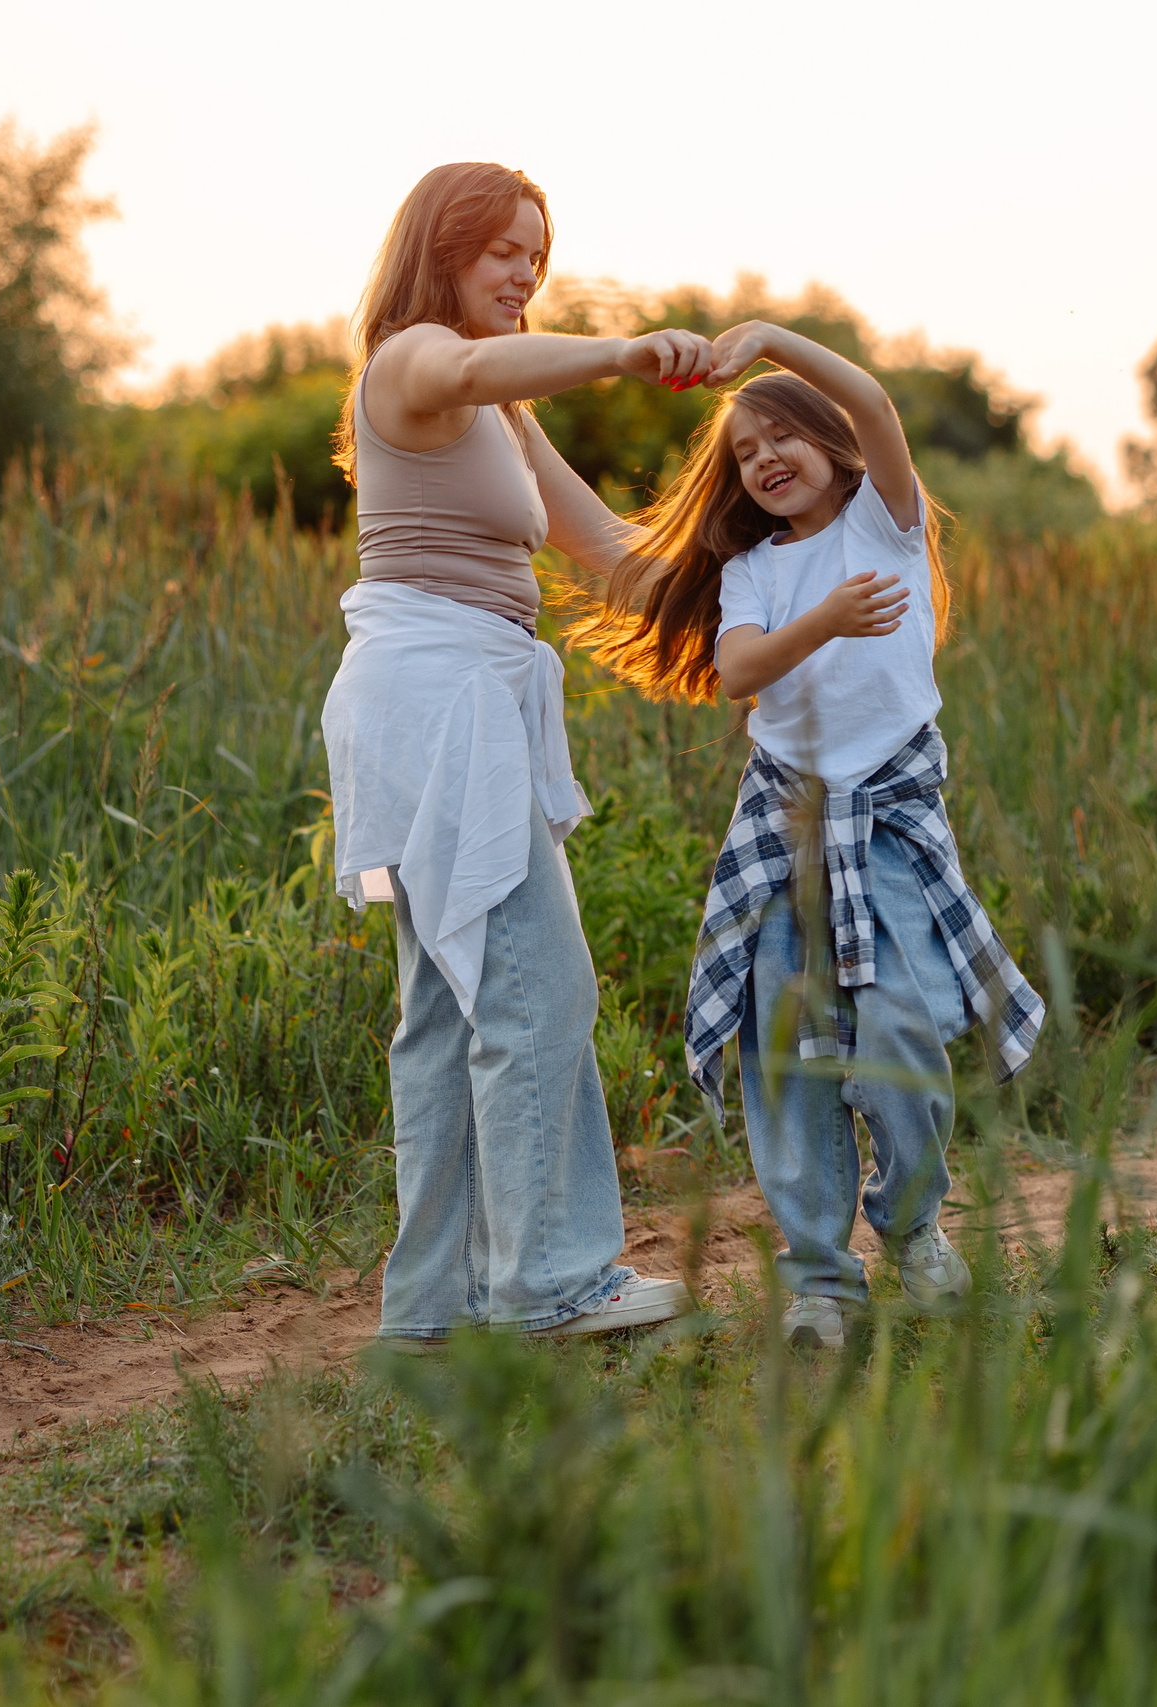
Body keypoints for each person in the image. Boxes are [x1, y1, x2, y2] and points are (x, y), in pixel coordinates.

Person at [567, 322, 1046, 1352]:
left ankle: (911, 1226)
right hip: (784, 827)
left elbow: (875, 401)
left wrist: (773, 343)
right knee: (783, 1060)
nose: (763, 460)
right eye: (743, 452)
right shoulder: (751, 569)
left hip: (890, 827)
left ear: (834, 449)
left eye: (782, 436)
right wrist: (824, 621)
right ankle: (821, 1281)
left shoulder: (885, 522)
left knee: (899, 1043)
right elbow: (741, 674)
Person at [320, 163, 703, 1344]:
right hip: (438, 700)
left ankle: (430, 1313)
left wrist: (774, 584)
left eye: (537, 253)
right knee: (535, 986)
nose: (526, 273)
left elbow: (610, 551)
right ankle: (548, 1283)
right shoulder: (413, 363)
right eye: (504, 251)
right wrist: (628, 352)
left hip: (453, 700)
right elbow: (478, 363)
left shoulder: (501, 414)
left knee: (450, 1009)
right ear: (443, 252)